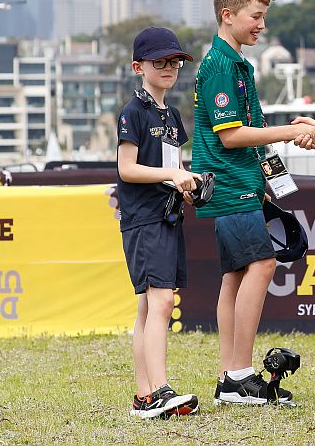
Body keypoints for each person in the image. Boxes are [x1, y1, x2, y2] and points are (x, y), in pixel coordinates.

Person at [191, 0, 315, 405]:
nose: (261, 25)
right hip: (230, 186)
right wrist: (289, 131)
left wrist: (266, 180)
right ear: (227, 16)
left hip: (242, 183)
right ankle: (240, 375)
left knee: (235, 276)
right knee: (262, 266)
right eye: (256, 16)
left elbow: (246, 133)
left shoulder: (238, 64)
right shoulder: (218, 66)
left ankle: (230, 375)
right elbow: (230, 135)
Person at [116, 26, 200, 418]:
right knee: (161, 302)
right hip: (143, 218)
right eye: (160, 62)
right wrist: (172, 176)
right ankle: (157, 392)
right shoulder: (133, 112)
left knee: (148, 309)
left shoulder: (172, 115)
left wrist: (185, 182)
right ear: (139, 67)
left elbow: (173, 165)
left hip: (166, 215)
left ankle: (145, 396)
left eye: (175, 61)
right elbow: (126, 168)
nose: (169, 68)